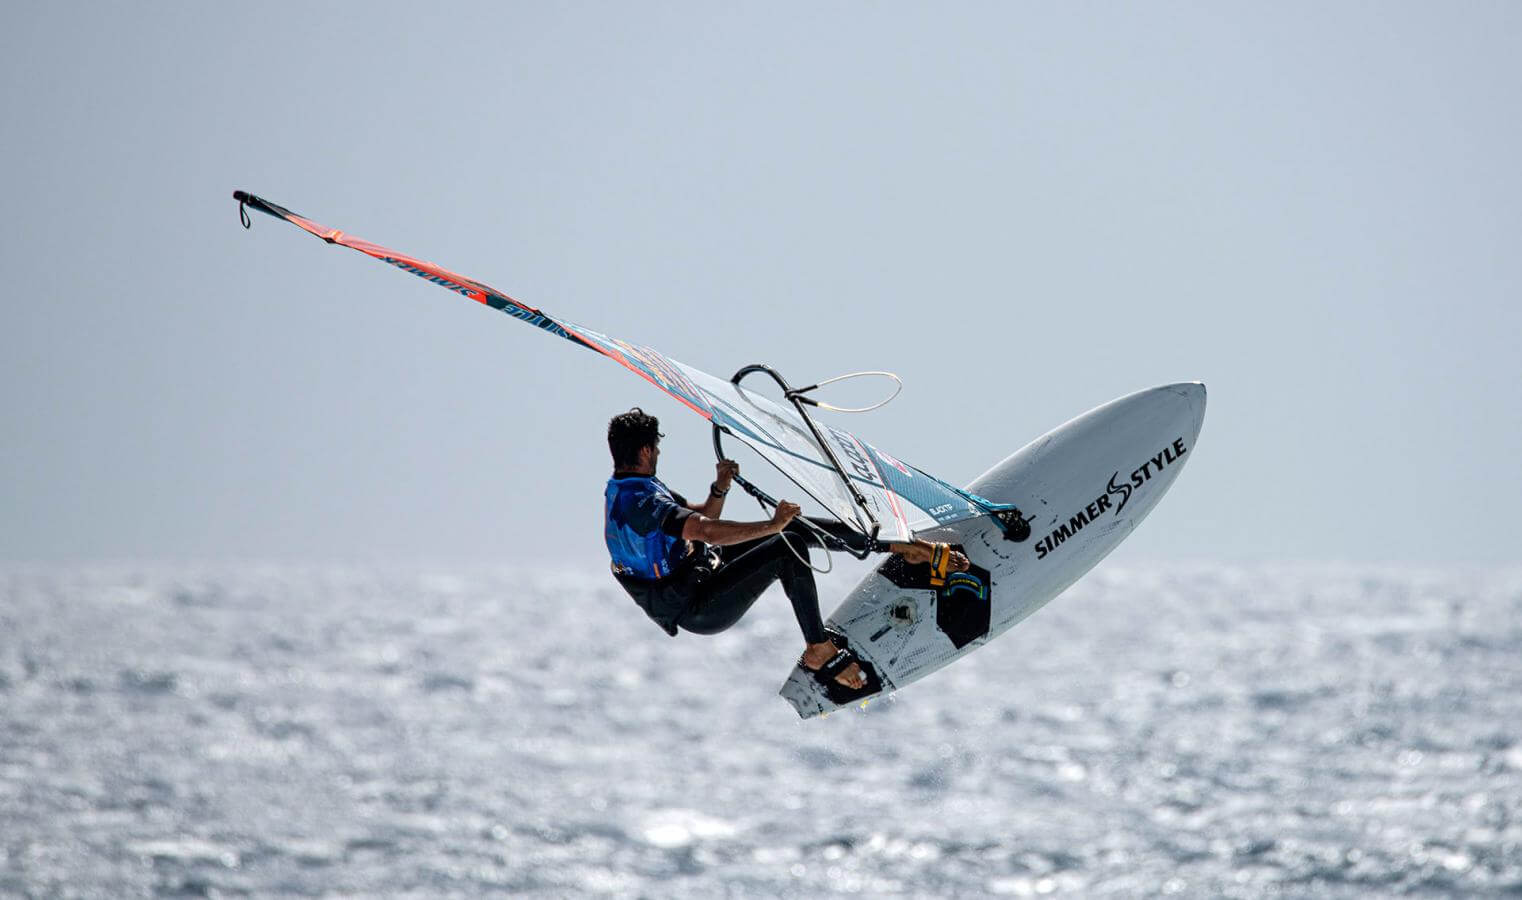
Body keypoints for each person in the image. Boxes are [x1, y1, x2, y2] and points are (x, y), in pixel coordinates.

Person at [603, 408, 970, 692]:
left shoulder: (626, 489)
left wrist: (720, 488)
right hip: (698, 606)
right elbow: (707, 532)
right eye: (659, 448)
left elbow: (697, 522)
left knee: (792, 530)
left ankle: (896, 546)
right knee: (786, 543)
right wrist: (770, 526)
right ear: (648, 449)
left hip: (700, 574)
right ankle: (818, 649)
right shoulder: (641, 501)